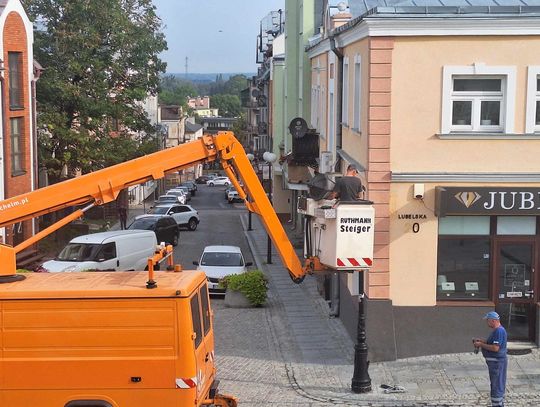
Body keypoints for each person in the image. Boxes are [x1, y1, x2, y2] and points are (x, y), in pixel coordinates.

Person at [473, 311, 508, 407]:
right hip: (495, 364)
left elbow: (495, 348)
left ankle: (497, 404)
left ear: (493, 321)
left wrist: (481, 344)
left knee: (497, 385)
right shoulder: (496, 331)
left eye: (487, 321)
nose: (486, 323)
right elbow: (492, 343)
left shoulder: (499, 331)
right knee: (496, 384)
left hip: (497, 364)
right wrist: (482, 341)